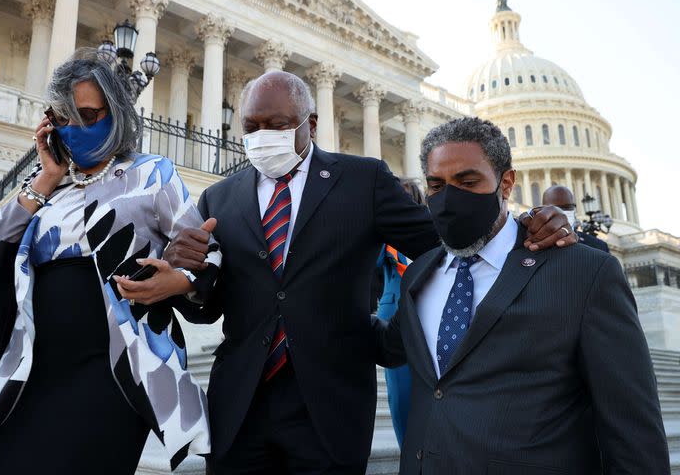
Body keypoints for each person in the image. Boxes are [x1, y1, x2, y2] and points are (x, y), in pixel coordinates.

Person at [123, 71, 575, 474]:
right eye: (251, 127)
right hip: (241, 403)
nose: (262, 136)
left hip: (331, 402)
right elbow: (209, 308)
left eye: (277, 126)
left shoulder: (363, 181)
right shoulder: (220, 198)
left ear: (310, 125)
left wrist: (522, 225)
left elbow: (443, 245)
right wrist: (188, 278)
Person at [0, 49, 220, 474]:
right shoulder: (47, 185)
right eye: (64, 119)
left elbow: (204, 249)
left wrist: (180, 281)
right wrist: (45, 178)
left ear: (116, 112)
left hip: (115, 371)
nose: (76, 128)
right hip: (33, 369)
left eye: (89, 115)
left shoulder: (152, 173)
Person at [376, 117, 669, 474]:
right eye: (437, 185)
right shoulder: (419, 274)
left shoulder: (583, 273)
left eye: (468, 181)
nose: (450, 198)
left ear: (507, 182)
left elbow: (632, 424)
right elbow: (392, 348)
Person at [375, 178, 423, 447]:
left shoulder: (431, 233)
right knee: (401, 394)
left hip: (429, 317)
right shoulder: (384, 237)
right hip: (394, 318)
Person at [543, 184, 610, 252]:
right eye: (555, 208)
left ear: (574, 209)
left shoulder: (598, 246)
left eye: (567, 207)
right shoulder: (535, 246)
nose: (562, 212)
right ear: (542, 210)